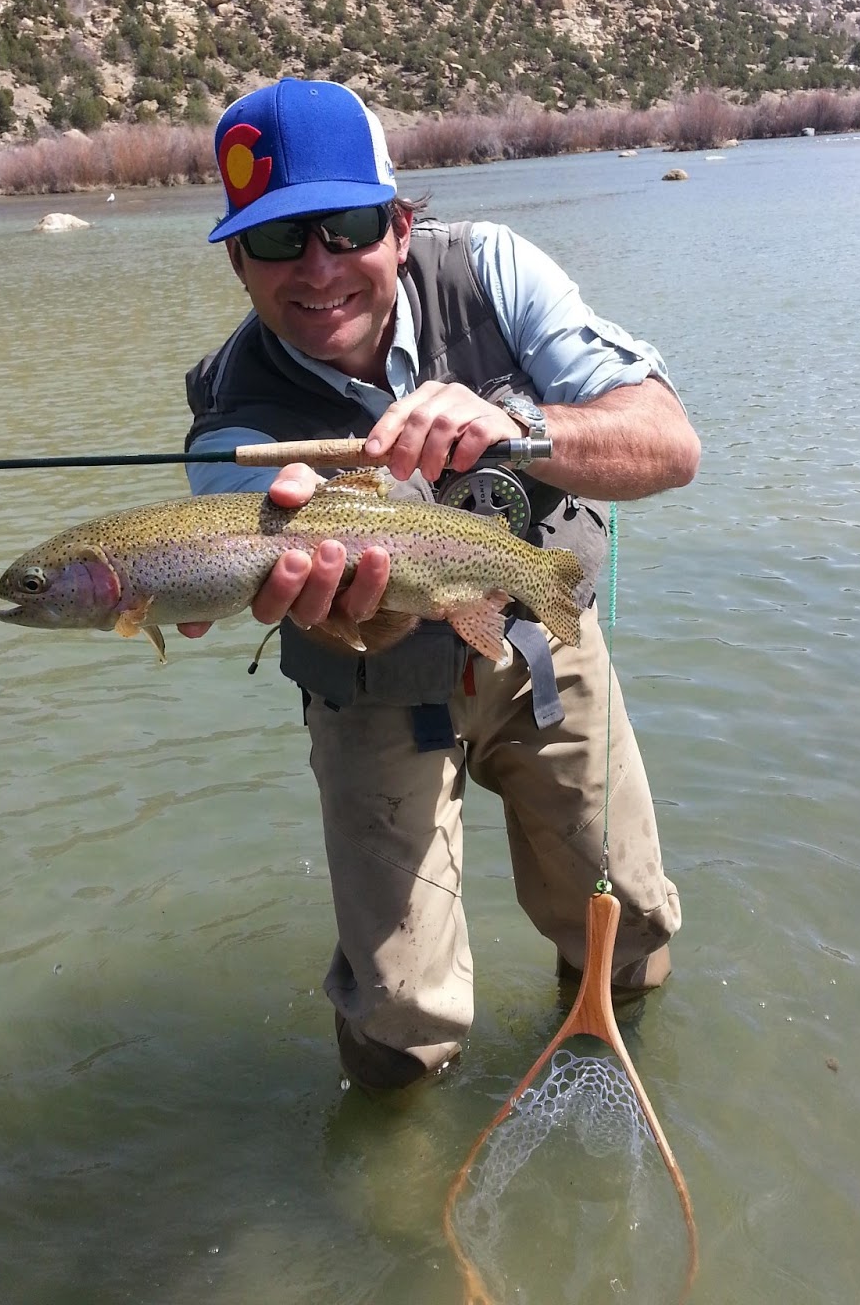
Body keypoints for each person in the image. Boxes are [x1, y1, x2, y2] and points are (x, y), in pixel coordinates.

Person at [182, 78, 701, 1091]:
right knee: (400, 1022)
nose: (318, 267)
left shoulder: (494, 272)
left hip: (544, 636)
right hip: (369, 688)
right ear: (238, 259)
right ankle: (399, 1169)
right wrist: (288, 565)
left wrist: (525, 428)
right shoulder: (228, 416)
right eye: (279, 239)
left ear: (400, 226)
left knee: (629, 930)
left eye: (345, 227)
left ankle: (612, 1068)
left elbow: (670, 445)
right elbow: (236, 547)